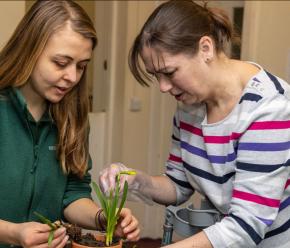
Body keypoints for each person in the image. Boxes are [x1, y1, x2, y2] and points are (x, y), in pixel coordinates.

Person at [99, 1, 290, 247]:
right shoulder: (190, 106)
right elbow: (178, 186)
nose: (163, 87)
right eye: (155, 75)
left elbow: (245, 226)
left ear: (205, 48)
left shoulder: (268, 109)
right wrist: (133, 179)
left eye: (169, 72)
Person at [0, 1, 140, 247]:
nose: (73, 77)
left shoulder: (73, 117)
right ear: (29, 49)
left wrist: (103, 218)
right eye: (61, 63)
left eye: (82, 66)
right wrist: (13, 233)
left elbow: (73, 194)